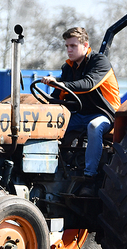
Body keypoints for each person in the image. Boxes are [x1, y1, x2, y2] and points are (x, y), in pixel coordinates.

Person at [41, 27, 120, 197]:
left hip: (104, 114)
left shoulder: (100, 62)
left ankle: (89, 176)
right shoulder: (68, 67)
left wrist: (58, 83)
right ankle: (54, 168)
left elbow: (88, 84)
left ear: (85, 45)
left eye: (73, 46)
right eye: (67, 46)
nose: (69, 50)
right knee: (52, 126)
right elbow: (59, 95)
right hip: (79, 114)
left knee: (94, 127)